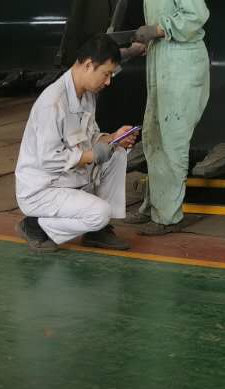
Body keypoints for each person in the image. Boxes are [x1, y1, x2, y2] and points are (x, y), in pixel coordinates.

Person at [14, 35, 141, 254]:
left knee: (117, 153)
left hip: (70, 178)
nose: (108, 82)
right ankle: (36, 226)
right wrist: (92, 156)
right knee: (99, 213)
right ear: (89, 65)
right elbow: (49, 160)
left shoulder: (87, 95)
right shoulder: (53, 103)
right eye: (106, 74)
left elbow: (89, 138)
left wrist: (113, 138)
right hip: (44, 189)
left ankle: (97, 232)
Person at [128, 1, 211, 235]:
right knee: (153, 138)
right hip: (162, 58)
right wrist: (146, 41)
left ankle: (168, 217)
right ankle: (155, 205)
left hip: (181, 62)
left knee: (172, 142)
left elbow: (196, 15)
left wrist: (158, 29)